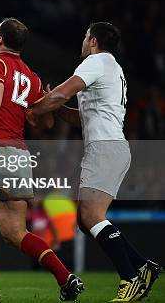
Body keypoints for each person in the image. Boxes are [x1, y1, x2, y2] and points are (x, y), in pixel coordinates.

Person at [0, 18, 83, 301]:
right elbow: (45, 123)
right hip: (19, 157)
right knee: (14, 232)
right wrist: (48, 99)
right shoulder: (31, 77)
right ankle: (65, 277)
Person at [27, 22, 162, 301]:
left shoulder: (96, 61)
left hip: (105, 148)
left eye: (85, 36)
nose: (83, 40)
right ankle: (141, 266)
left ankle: (131, 278)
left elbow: (63, 92)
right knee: (87, 220)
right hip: (110, 147)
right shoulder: (112, 68)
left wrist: (37, 107)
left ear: (94, 42)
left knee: (90, 217)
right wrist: (56, 106)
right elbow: (80, 117)